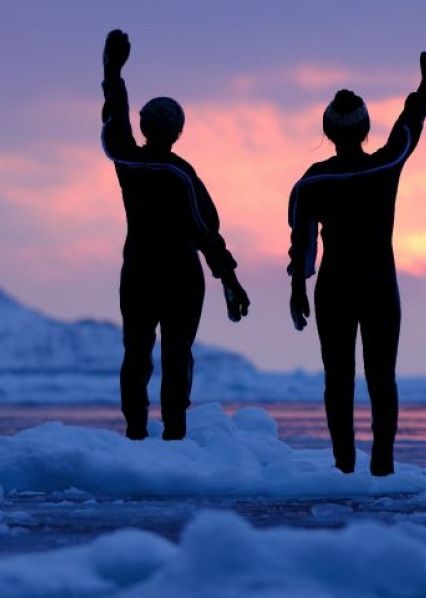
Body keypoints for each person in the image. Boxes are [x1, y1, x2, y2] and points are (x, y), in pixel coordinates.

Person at [288, 43, 426, 475]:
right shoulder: (384, 166)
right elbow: (409, 125)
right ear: (364, 128)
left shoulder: (313, 182)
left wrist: (297, 289)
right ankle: (382, 465)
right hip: (379, 284)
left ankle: (344, 465)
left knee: (337, 378)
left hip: (335, 286)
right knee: (382, 377)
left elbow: (302, 242)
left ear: (327, 129)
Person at [101, 29, 250, 441]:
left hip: (139, 272)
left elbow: (114, 122)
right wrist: (230, 281)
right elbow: (207, 231)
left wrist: (113, 74)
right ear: (178, 132)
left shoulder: (129, 162)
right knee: (176, 354)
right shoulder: (180, 173)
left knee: (137, 352)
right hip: (180, 276)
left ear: (145, 127)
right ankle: (174, 432)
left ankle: (135, 429)